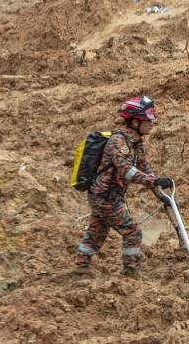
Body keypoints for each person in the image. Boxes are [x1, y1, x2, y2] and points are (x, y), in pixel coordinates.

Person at [74, 95, 174, 277]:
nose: (153, 122)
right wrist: (152, 181)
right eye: (148, 119)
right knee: (132, 232)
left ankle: (81, 266)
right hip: (105, 197)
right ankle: (130, 272)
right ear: (135, 122)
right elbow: (126, 170)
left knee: (97, 231)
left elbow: (145, 168)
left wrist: (160, 191)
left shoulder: (136, 144)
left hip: (104, 195)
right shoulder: (118, 142)